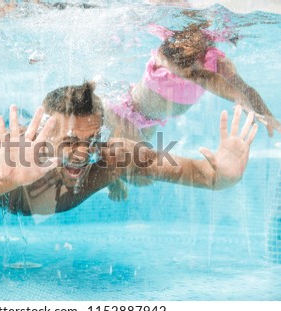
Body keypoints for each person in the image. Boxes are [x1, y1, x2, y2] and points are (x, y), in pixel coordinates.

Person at [0, 81, 258, 227]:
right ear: (47, 134)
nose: (82, 154)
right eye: (69, 142)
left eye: (92, 139)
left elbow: (207, 176)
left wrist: (223, 176)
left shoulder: (113, 155)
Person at [103, 22, 280, 200]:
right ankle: (112, 179)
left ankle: (112, 172)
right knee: (138, 176)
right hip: (123, 113)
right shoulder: (169, 52)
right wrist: (238, 97)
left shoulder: (217, 62)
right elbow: (202, 77)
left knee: (137, 170)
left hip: (149, 121)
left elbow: (245, 89)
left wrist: (267, 114)